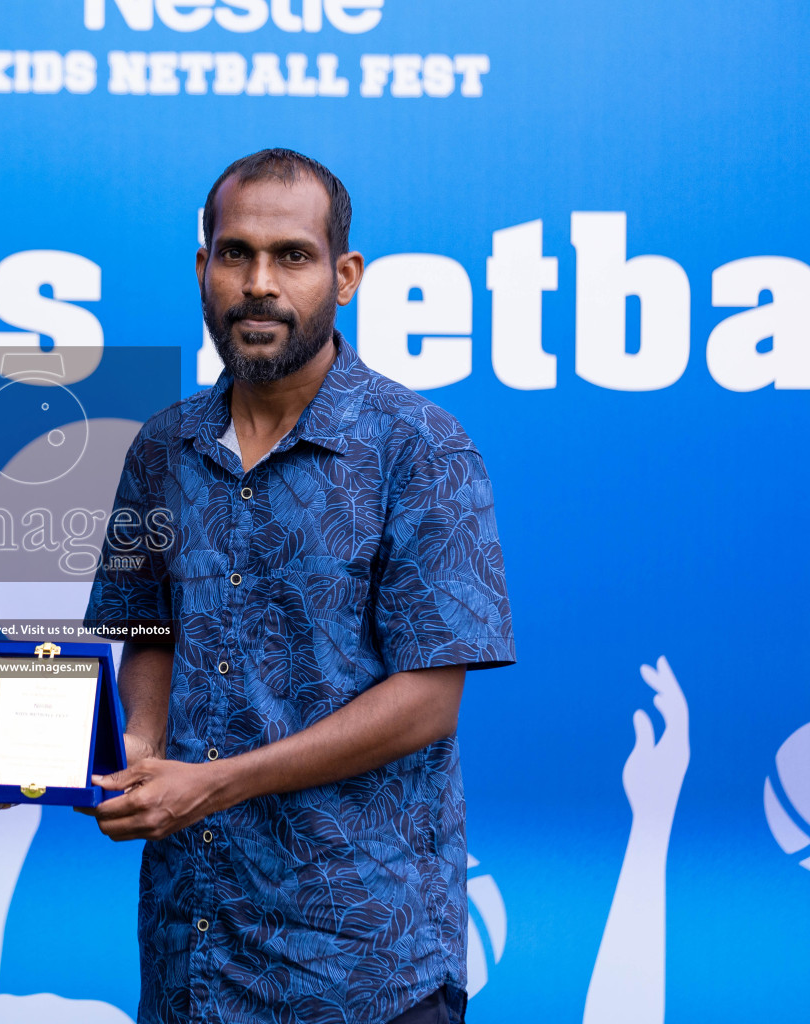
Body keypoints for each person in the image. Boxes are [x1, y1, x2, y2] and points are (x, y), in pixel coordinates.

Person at [82, 148, 516, 1024]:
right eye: (235, 254)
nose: (259, 283)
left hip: (363, 972)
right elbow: (149, 632)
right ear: (203, 270)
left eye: (292, 256)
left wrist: (216, 781)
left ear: (344, 275)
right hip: (192, 954)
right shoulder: (161, 449)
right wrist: (145, 741)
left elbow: (429, 700)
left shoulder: (422, 448)